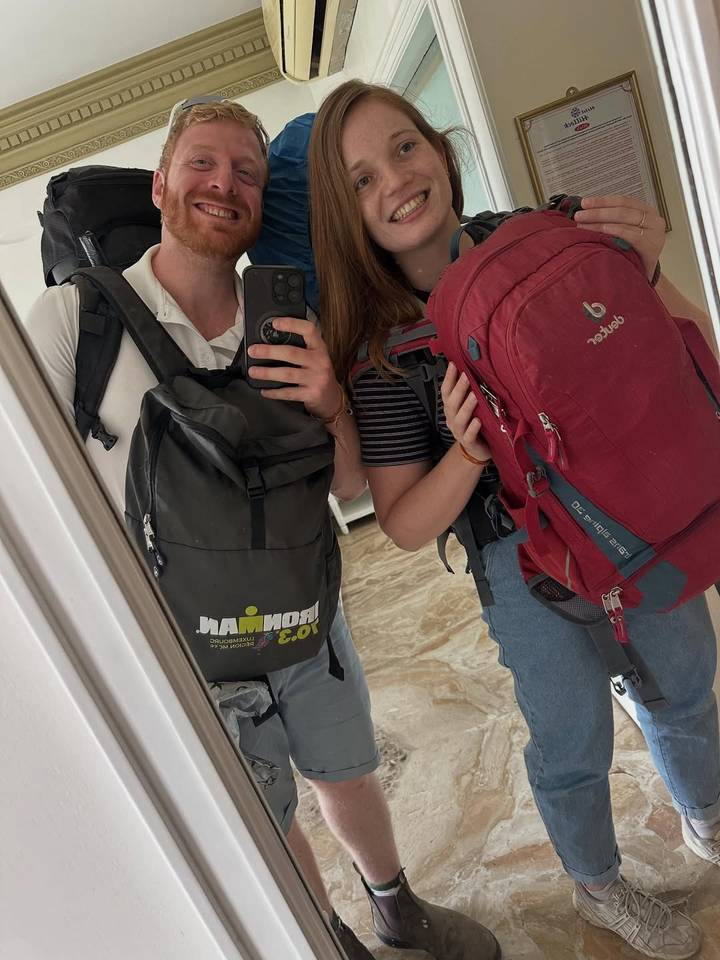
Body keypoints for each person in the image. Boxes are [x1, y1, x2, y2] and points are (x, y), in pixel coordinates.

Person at [25, 96, 502, 960]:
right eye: (203, 163)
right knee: (262, 810)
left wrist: (329, 403)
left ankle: (394, 905)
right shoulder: (73, 321)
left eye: (247, 170)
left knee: (347, 768)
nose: (225, 183)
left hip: (306, 609)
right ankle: (323, 937)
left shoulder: (288, 322)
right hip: (182, 644)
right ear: (161, 182)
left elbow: (353, 485)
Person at [308, 78, 720, 960]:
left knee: (685, 680)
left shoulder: (544, 243)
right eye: (361, 180)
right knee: (571, 731)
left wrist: (651, 268)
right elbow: (407, 524)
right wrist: (464, 453)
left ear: (441, 149)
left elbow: (688, 349)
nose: (395, 181)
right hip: (517, 560)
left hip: (626, 510)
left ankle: (706, 813)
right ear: (346, 215)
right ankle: (599, 886)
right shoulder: (380, 354)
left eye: (405, 148)